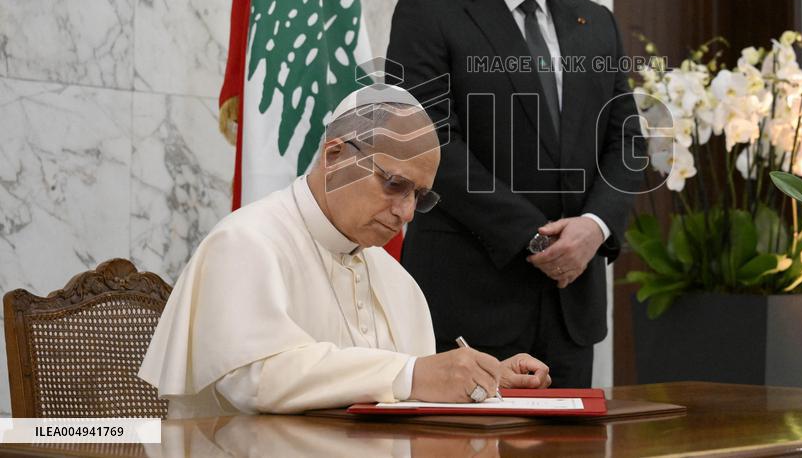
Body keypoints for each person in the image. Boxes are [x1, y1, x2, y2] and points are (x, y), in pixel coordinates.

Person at [139, 85, 551, 418]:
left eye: (420, 197)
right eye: (393, 183)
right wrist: (413, 374)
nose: (406, 212)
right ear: (335, 156)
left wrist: (481, 379)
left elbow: (407, 391)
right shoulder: (246, 243)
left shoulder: (394, 278)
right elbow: (255, 377)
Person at [386, 0, 644, 387]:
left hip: (572, 307)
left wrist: (593, 228)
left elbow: (628, 140)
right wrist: (534, 239)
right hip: (469, 300)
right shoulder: (428, 13)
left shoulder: (596, 24)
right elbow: (432, 139)